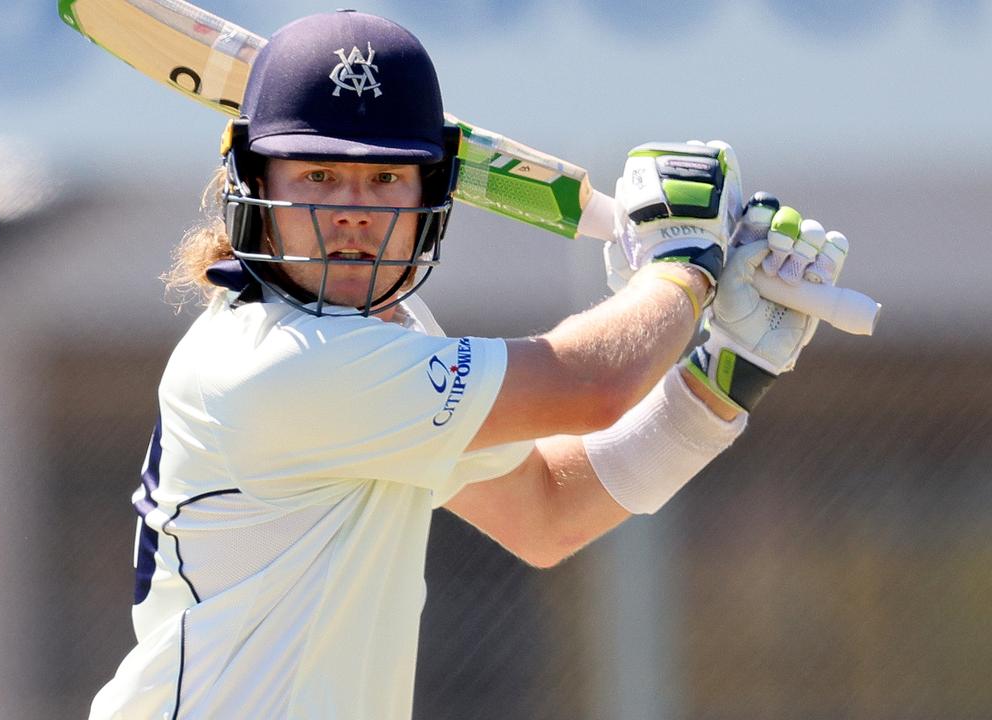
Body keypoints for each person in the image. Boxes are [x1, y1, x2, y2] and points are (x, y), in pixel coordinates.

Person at [89, 9, 850, 720]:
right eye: (318, 176)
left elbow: (551, 509)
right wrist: (684, 264)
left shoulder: (379, 348)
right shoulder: (278, 364)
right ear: (255, 187)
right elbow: (592, 385)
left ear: (431, 196)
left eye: (386, 179)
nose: (353, 210)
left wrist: (728, 370)